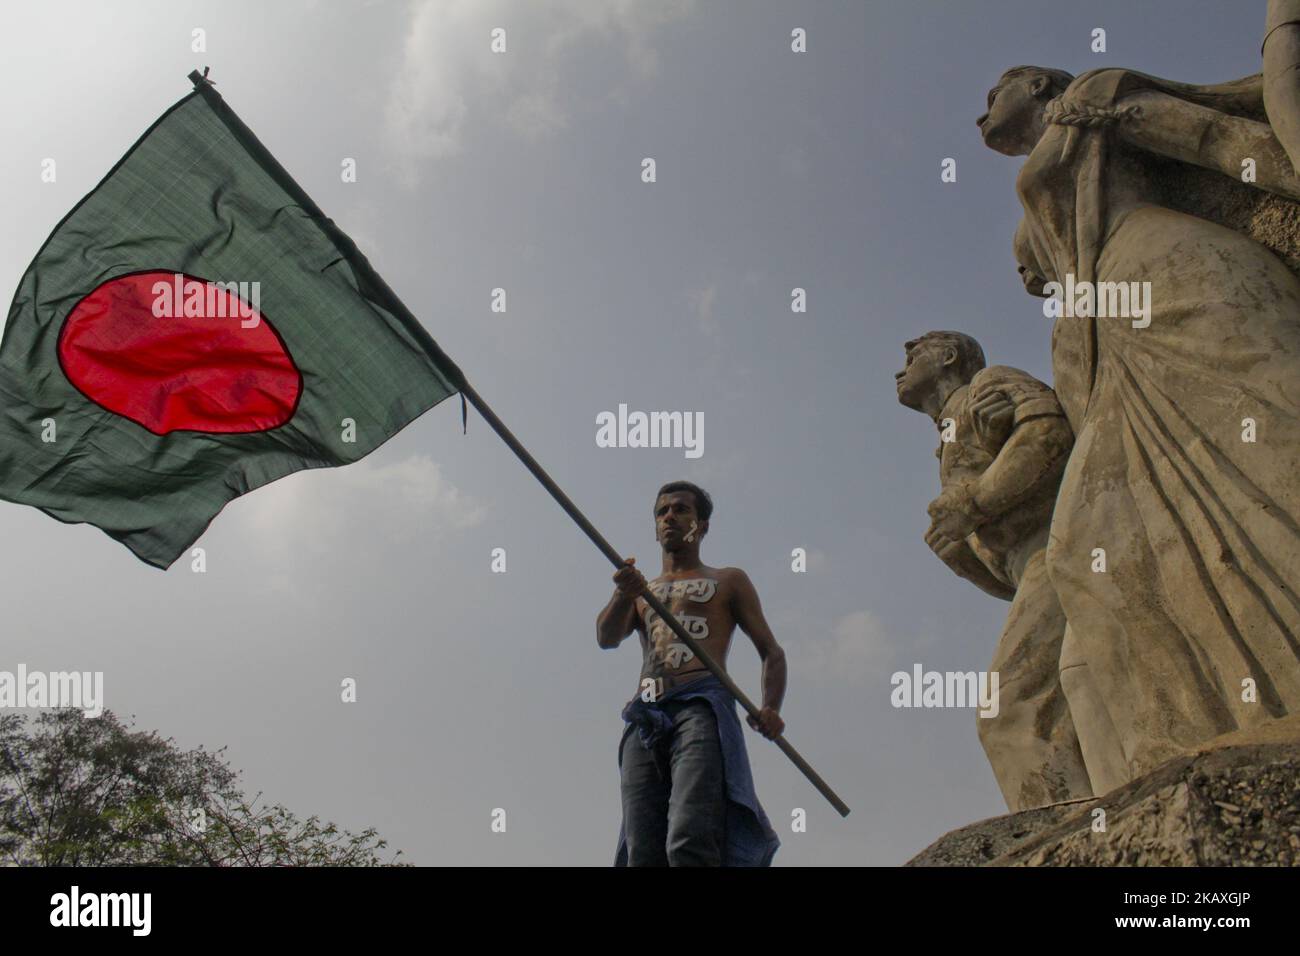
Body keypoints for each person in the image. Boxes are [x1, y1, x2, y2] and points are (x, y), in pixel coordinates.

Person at [977, 59, 1300, 793]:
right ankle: (1182, 750)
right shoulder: (1042, 196)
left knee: (1276, 444)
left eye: (992, 89)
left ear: (1038, 85)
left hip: (1176, 278)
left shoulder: (1094, 97)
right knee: (1088, 548)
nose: (980, 111)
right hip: (1106, 344)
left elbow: (1215, 140)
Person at [896, 330, 1094, 808]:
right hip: (1035, 568)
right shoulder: (947, 440)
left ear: (947, 357)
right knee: (1061, 702)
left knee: (1012, 709)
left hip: (1066, 550)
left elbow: (1049, 432)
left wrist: (975, 501)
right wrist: (965, 562)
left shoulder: (989, 383)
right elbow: (1009, 582)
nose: (902, 359)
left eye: (915, 349)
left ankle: (1071, 841)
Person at [597, 481, 783, 866]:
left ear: (702, 525)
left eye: (681, 510)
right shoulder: (641, 589)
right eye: (662, 512)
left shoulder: (728, 580)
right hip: (646, 712)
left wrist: (770, 708)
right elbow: (606, 637)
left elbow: (771, 651)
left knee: (688, 837)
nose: (670, 517)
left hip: (699, 705)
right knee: (642, 847)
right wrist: (622, 594)